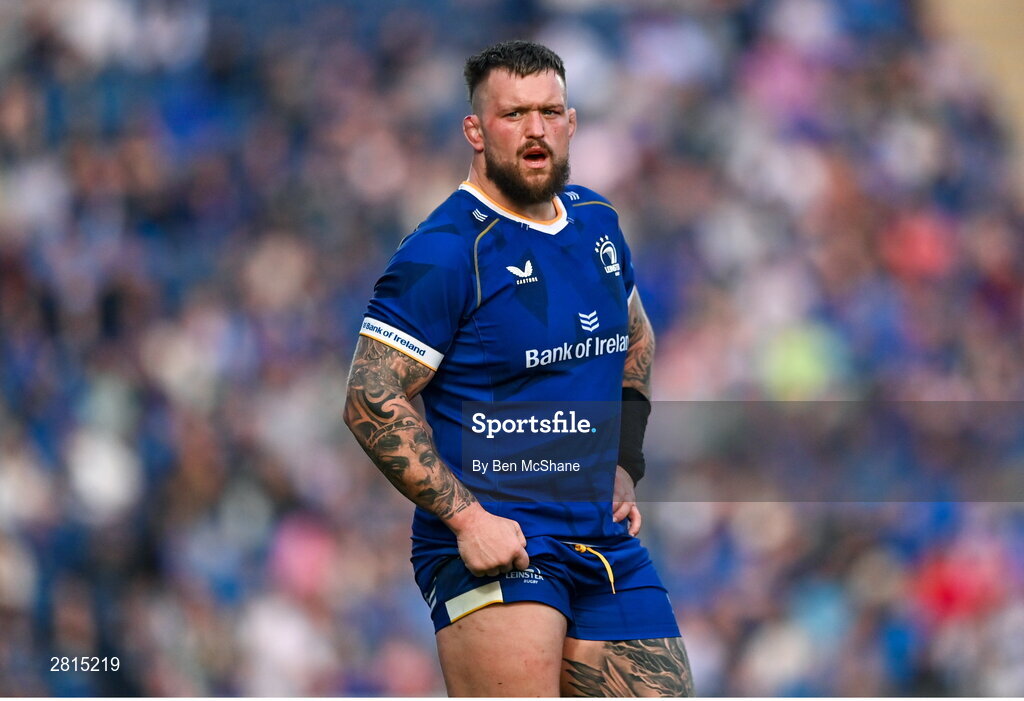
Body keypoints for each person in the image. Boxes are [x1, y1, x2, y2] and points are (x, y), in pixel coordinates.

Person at [344, 40, 693, 697]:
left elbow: (635, 338)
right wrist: (467, 520)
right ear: (475, 130)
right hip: (503, 544)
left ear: (571, 122)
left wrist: (625, 459)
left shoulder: (597, 222)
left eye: (549, 111)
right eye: (514, 114)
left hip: (602, 540)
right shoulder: (444, 252)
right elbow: (369, 395)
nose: (536, 129)